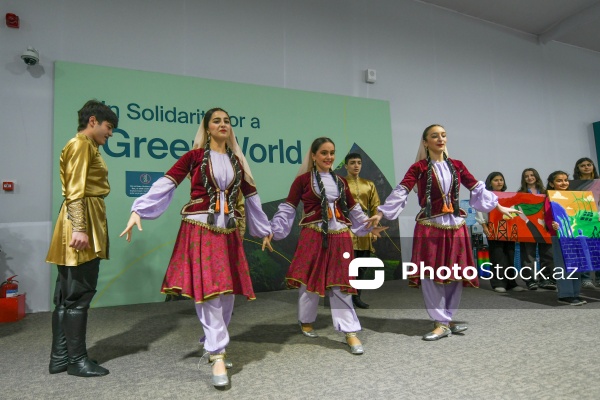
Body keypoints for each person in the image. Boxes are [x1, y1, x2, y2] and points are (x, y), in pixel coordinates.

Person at [120, 108, 272, 388]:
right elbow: (167, 183)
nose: (223, 124)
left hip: (227, 232)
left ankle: (215, 343)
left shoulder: (237, 161)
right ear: (207, 128)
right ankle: (216, 353)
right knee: (210, 291)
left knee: (226, 293)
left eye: (227, 120)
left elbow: (251, 196)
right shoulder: (194, 157)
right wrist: (139, 210)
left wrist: (263, 229)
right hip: (200, 228)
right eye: (217, 121)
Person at [367, 124, 517, 341]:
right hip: (430, 226)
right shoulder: (418, 167)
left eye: (443, 135)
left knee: (454, 274)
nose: (440, 139)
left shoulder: (457, 165)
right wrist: (381, 213)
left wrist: (499, 207)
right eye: (434, 136)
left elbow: (476, 187)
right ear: (425, 142)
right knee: (431, 274)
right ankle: (440, 321)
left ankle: (446, 319)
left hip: (456, 225)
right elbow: (402, 190)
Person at [270, 137, 386, 355]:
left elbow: (353, 209)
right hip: (313, 234)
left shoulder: (340, 182)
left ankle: (350, 331)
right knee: (309, 280)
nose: (329, 157)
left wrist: (368, 227)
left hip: (340, 234)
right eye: (324, 153)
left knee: (341, 282)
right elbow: (288, 207)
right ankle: (305, 321)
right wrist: (273, 229)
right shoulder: (303, 181)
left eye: (332, 153)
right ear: (313, 156)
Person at [46, 100, 118, 377]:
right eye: (108, 127)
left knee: (66, 294)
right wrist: (79, 228)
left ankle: (61, 357)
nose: (110, 134)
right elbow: (74, 191)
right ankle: (76, 361)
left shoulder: (85, 146)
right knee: (77, 294)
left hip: (81, 221)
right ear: (93, 121)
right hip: (81, 222)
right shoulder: (81, 145)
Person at [344, 152, 381, 309]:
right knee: (346, 264)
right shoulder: (341, 183)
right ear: (346, 166)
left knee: (361, 264)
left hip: (365, 229)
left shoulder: (369, 184)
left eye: (359, 162)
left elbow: (375, 207)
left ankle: (357, 296)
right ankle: (345, 297)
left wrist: (374, 229)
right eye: (352, 162)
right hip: (345, 228)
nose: (356, 165)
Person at [476, 172, 523, 293]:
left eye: (501, 180)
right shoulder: (485, 195)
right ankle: (498, 283)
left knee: (510, 255)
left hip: (509, 230)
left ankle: (512, 283)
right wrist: (484, 226)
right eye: (496, 180)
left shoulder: (508, 196)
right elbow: (480, 211)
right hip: (493, 229)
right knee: (497, 256)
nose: (499, 182)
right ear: (490, 182)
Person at [545, 171, 585, 305]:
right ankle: (564, 295)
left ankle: (575, 293)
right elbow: (547, 217)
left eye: (566, 180)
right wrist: (552, 225)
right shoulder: (549, 198)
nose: (564, 183)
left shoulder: (573, 197)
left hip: (574, 235)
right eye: (559, 180)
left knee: (576, 264)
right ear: (552, 183)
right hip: (559, 235)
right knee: (563, 265)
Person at [517, 168, 556, 291]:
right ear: (524, 179)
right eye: (526, 176)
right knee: (528, 255)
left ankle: (547, 279)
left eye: (532, 175)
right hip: (527, 228)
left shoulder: (546, 192)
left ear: (536, 176)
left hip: (545, 227)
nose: (529, 178)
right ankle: (530, 280)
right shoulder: (520, 193)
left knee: (548, 255)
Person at [572, 157, 599, 289]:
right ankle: (586, 278)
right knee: (584, 250)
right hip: (582, 221)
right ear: (578, 168)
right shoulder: (574, 186)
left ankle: (599, 278)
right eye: (583, 165)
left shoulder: (598, 183)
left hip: (598, 220)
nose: (586, 167)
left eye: (589, 165)